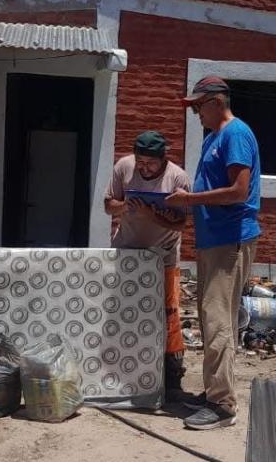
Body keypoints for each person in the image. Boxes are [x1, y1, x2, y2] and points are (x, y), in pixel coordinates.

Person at [166, 76, 260, 430]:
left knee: (218, 319)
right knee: (210, 319)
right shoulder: (213, 138)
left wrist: (189, 200)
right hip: (213, 240)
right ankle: (214, 393)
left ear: (216, 102)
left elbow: (239, 191)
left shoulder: (236, 135)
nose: (195, 113)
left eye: (197, 106)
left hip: (229, 240)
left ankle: (222, 406)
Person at [103, 131, 193, 402]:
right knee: (123, 309)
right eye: (140, 162)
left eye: (151, 164)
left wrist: (151, 214)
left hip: (163, 256)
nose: (144, 168)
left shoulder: (178, 178)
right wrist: (125, 206)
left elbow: (181, 224)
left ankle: (172, 374)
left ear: (163, 159)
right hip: (127, 253)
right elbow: (108, 206)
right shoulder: (124, 167)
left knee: (169, 314)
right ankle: (123, 367)